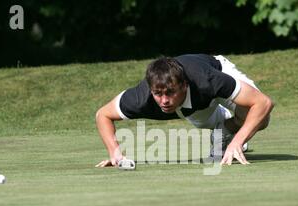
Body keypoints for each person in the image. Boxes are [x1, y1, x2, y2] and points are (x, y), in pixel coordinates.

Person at [95, 54, 274, 167]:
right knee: (207, 123)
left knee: (261, 119)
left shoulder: (208, 80)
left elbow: (264, 103)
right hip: (195, 108)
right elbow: (102, 115)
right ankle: (222, 131)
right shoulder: (141, 98)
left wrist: (237, 142)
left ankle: (229, 135)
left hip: (216, 73)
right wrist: (114, 152)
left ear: (184, 86)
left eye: (170, 92)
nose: (164, 101)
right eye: (158, 94)